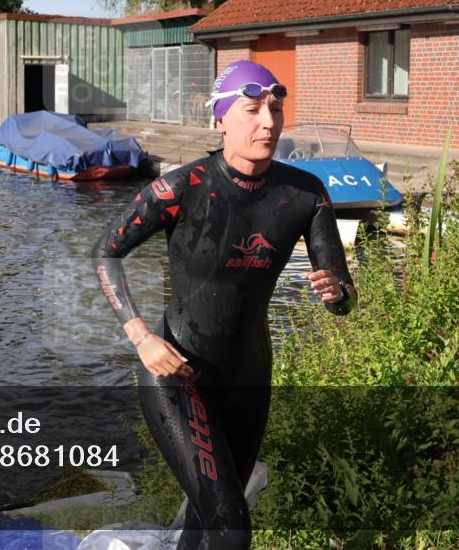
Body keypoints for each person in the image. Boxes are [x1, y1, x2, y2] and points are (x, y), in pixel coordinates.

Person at [92, 60, 356, 549]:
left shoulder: (304, 194)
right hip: (177, 373)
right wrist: (141, 337)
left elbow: (342, 293)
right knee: (233, 528)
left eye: (275, 109)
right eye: (252, 109)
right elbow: (106, 253)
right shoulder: (180, 188)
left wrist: (336, 292)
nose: (269, 122)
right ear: (220, 120)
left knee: (206, 524)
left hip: (249, 381)